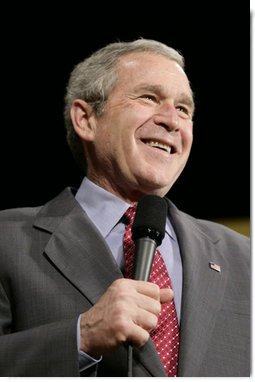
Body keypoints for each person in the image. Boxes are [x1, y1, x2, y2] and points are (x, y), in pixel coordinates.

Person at [0, 39, 250, 377]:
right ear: (86, 119)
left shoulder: (242, 257)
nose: (172, 121)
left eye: (184, 109)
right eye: (148, 97)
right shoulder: (7, 239)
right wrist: (81, 336)